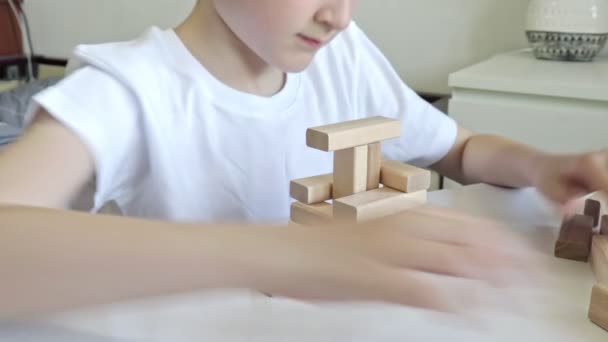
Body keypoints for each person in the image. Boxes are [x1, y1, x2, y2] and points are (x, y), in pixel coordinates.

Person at [1, 0, 607, 319]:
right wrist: (293, 255)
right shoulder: (125, 89)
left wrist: (539, 166)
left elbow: (458, 147)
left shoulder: (342, 56)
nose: (338, 15)